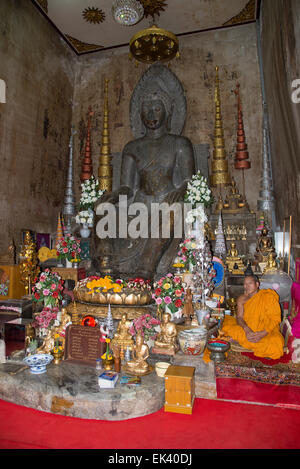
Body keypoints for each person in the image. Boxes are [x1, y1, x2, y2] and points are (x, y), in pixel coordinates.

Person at [95, 79, 195, 279]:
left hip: (168, 200)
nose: (151, 115)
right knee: (103, 208)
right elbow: (127, 187)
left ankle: (145, 270)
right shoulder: (132, 148)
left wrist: (179, 191)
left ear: (167, 112)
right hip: (139, 203)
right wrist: (114, 196)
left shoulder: (180, 144)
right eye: (147, 109)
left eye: (157, 109)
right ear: (139, 113)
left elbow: (189, 182)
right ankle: (107, 265)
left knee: (172, 212)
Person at [221, 275, 284, 359]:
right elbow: (239, 318)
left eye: (250, 283)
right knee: (227, 328)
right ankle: (252, 343)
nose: (247, 286)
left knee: (276, 343)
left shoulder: (268, 296)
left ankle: (249, 343)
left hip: (266, 330)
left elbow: (275, 319)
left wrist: (263, 333)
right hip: (248, 329)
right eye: (245, 284)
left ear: (257, 284)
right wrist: (246, 329)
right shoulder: (242, 299)